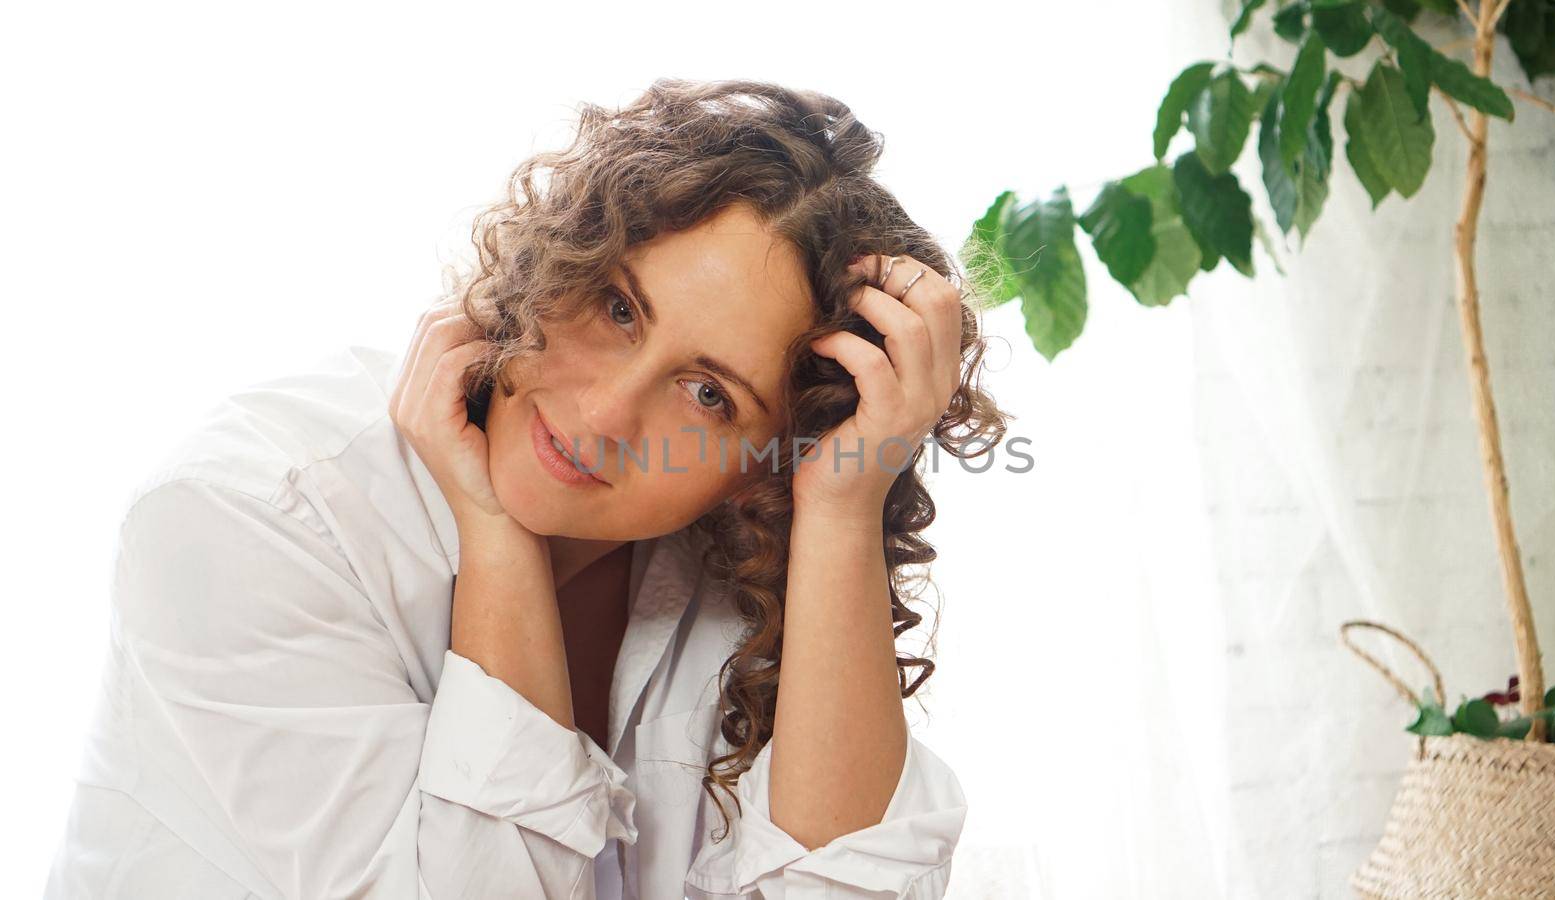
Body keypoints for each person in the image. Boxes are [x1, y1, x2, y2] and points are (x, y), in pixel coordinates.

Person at [46, 77, 1009, 899]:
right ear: (559, 259)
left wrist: (841, 508)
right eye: (619, 307)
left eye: (710, 394)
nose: (601, 415)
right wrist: (495, 536)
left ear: (761, 471)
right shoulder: (246, 518)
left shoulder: (728, 573)